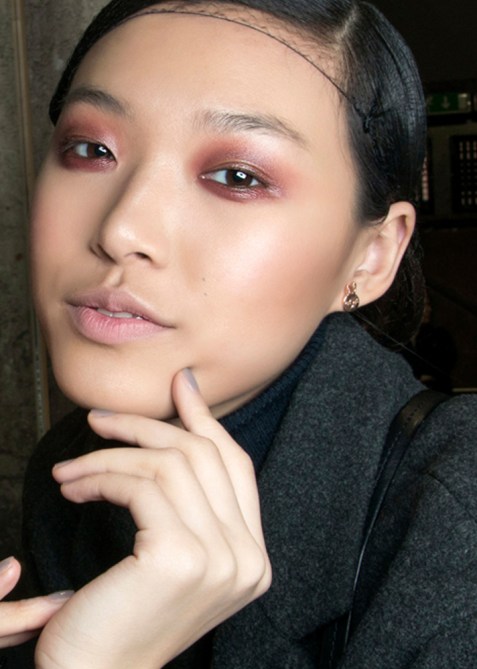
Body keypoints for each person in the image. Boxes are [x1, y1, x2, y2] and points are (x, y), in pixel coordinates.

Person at [3, 0, 477, 666]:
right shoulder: (69, 470)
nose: (121, 229)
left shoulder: (454, 508)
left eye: (236, 177)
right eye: (91, 149)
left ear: (370, 257)